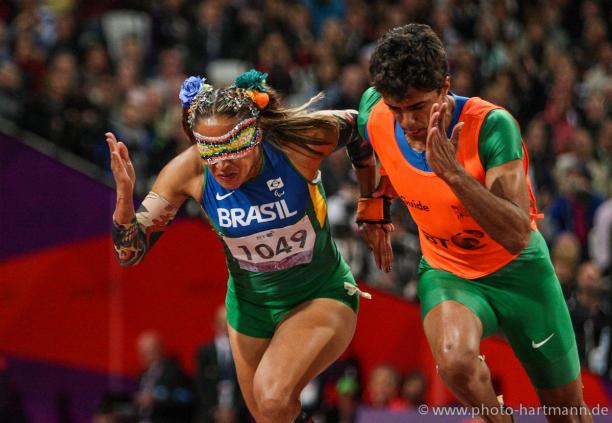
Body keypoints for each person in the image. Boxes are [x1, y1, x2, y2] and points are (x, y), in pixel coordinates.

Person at [107, 69, 375, 423]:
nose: (221, 164)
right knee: (270, 414)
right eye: (211, 151)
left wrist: (375, 204)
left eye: (232, 148)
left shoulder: (298, 143)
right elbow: (129, 252)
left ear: (256, 134)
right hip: (250, 308)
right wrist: (125, 205)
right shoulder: (189, 171)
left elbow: (358, 126)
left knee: (273, 396)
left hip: (320, 293)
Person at [356, 24, 590, 422]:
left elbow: (518, 233)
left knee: (568, 414)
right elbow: (359, 141)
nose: (407, 122)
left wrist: (455, 175)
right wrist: (373, 203)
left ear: (445, 87)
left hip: (521, 274)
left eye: (418, 108)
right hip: (449, 271)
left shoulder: (491, 126)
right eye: (397, 109)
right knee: (454, 362)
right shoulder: (375, 112)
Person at [194, 305, 247, 423]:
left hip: (239, 413)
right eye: (222, 321)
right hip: (210, 413)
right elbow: (201, 384)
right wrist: (214, 411)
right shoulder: (205, 352)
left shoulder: (244, 352)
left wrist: (235, 410)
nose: (225, 325)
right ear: (214, 324)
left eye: (229, 320)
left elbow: (247, 382)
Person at [134, 331, 194, 423]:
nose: (145, 356)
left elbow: (187, 398)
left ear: (160, 350)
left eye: (150, 351)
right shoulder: (143, 375)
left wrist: (157, 401)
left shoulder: (174, 373)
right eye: (142, 352)